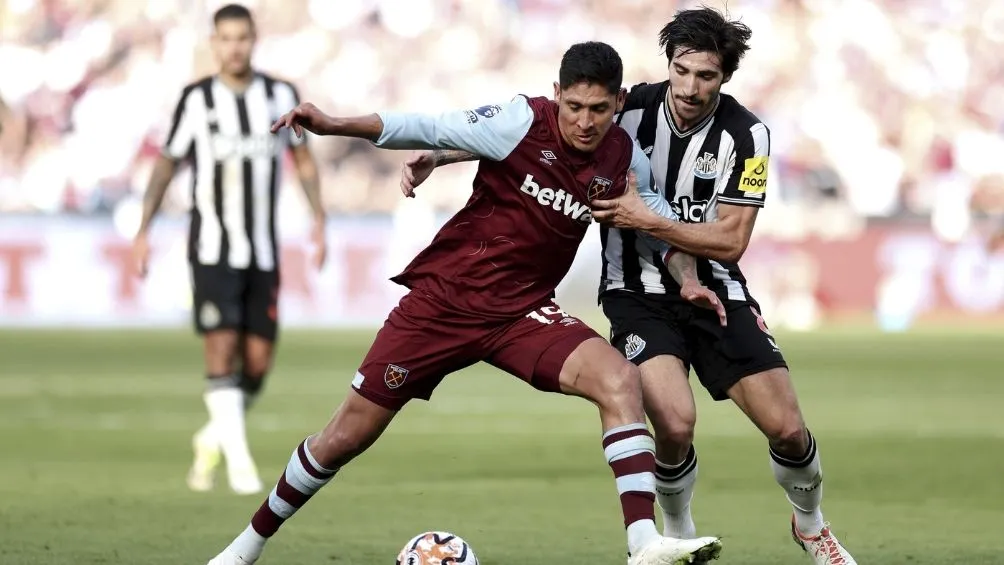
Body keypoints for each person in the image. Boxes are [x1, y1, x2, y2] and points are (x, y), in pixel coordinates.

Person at [205, 41, 725, 565]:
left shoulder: (623, 160)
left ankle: (642, 543)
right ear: (556, 96)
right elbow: (430, 126)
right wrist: (334, 123)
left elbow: (659, 224)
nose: (584, 122)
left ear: (617, 104)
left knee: (619, 380)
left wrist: (686, 278)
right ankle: (245, 547)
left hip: (523, 313)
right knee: (343, 437)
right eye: (574, 107)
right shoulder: (519, 120)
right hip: (444, 304)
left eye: (597, 109)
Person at [412, 8, 857, 565]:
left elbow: (730, 241)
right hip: (634, 292)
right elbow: (531, 129)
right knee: (673, 422)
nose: (691, 87)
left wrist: (646, 219)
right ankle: (676, 533)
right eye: (682, 70)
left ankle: (811, 526)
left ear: (726, 78)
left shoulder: (749, 137)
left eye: (707, 76)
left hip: (716, 287)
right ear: (667, 65)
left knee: (788, 430)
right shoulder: (623, 106)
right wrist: (441, 153)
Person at [132, 4, 327, 496]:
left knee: (257, 365)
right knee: (220, 349)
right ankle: (240, 466)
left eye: (242, 37)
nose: (234, 46)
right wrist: (143, 229)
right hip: (212, 248)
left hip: (262, 250)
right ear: (214, 43)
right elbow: (166, 164)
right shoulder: (196, 101)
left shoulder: (279, 95)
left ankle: (214, 434)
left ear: (253, 40)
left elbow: (302, 160)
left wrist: (319, 219)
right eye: (225, 38)